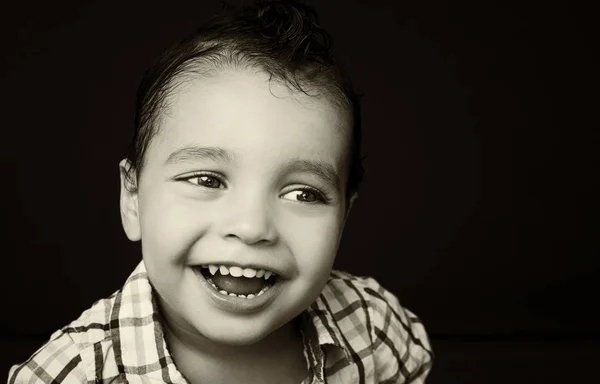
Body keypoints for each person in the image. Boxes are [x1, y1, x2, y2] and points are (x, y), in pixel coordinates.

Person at [8, 1, 433, 383]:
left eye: (304, 193)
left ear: (344, 216)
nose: (251, 227)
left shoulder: (371, 325)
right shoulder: (71, 374)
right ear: (133, 198)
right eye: (207, 180)